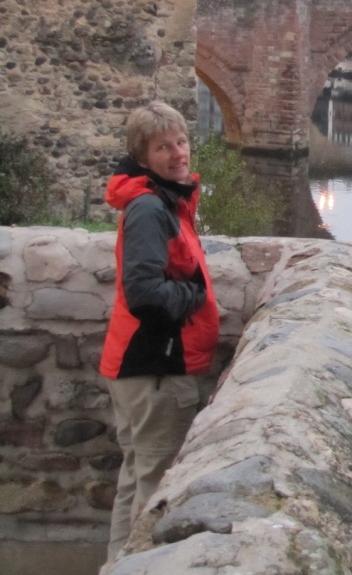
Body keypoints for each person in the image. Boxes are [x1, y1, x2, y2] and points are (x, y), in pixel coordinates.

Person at [99, 101, 220, 562]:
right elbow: (145, 293)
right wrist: (194, 297)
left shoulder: (163, 199)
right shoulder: (151, 208)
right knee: (154, 489)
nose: (177, 153)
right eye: (163, 147)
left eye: (182, 142)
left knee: (135, 478)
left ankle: (115, 564)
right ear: (143, 156)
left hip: (139, 366)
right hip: (155, 367)